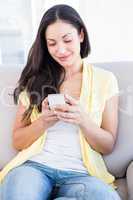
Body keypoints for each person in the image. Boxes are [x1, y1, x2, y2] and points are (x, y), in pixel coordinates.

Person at [0, 4, 121, 200]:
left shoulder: (105, 80)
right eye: (52, 43)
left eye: (67, 40)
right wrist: (43, 122)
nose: (61, 50)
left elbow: (107, 145)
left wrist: (83, 120)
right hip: (34, 169)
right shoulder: (35, 81)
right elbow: (18, 141)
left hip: (81, 175)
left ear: (81, 35)